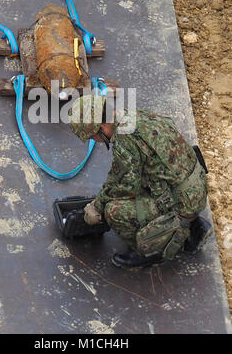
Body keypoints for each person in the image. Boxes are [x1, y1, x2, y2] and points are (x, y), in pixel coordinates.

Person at [68, 95, 212, 269]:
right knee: (134, 186)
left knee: (114, 211)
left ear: (102, 127)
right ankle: (193, 223)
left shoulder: (125, 140)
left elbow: (125, 186)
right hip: (193, 186)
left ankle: (156, 248)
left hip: (183, 201)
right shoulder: (136, 116)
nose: (95, 141)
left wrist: (97, 208)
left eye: (92, 137)